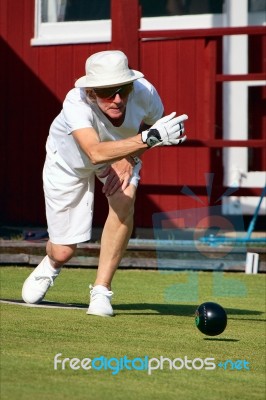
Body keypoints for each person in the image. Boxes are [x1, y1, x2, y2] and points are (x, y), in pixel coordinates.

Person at [22, 50, 188, 317]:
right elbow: (95, 152)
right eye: (108, 93)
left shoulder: (145, 92)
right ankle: (51, 263)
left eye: (123, 89)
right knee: (64, 251)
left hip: (120, 153)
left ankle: (101, 290)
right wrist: (144, 141)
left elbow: (158, 129)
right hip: (69, 160)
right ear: (91, 93)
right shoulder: (75, 102)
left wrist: (130, 156)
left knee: (125, 200)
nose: (118, 99)